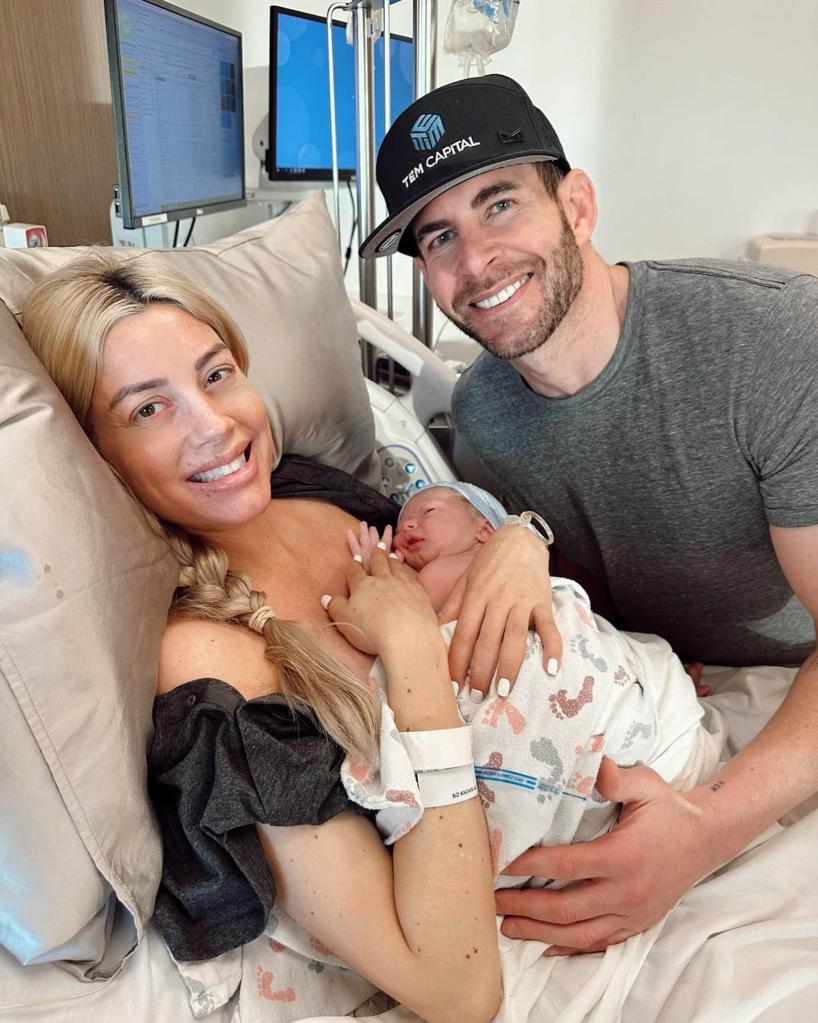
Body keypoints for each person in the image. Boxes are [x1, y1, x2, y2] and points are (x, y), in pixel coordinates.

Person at [361, 73, 818, 956]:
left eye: (499, 204)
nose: (475, 262)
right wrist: (518, 540)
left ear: (577, 204)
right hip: (676, 693)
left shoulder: (772, 345)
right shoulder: (486, 415)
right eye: (440, 237)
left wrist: (704, 828)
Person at [21, 252, 505, 1023]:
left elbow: (461, 542)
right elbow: (459, 990)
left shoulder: (309, 488)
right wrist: (412, 650)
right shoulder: (208, 661)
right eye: (149, 408)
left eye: (215, 375)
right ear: (95, 455)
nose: (216, 425)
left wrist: (520, 542)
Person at [340, 482, 715, 902]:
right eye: (403, 518)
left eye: (427, 511)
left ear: (484, 529)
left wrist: (375, 563)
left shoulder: (470, 566)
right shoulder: (439, 573)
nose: (407, 521)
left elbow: (388, 619)